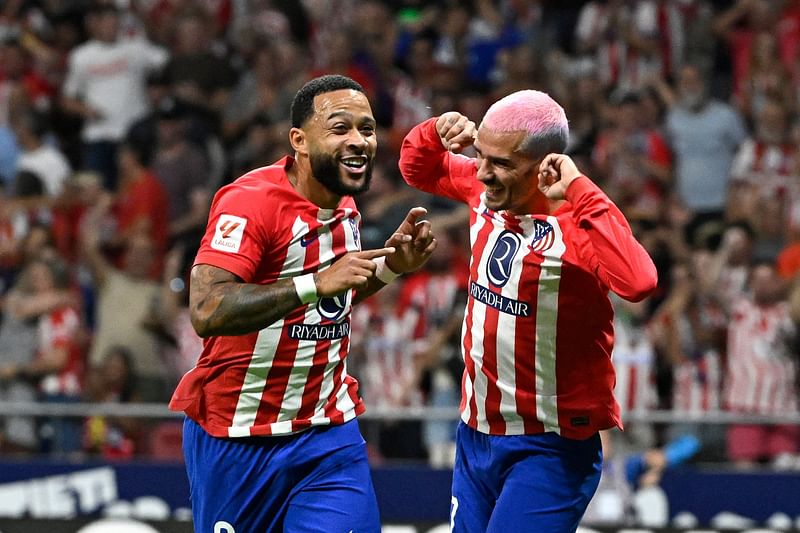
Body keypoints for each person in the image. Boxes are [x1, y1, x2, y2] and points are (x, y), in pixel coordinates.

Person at [168, 74, 437, 533]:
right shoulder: (249, 202)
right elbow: (207, 310)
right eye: (340, 128)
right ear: (300, 140)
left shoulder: (344, 204)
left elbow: (332, 297)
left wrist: (391, 268)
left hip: (327, 431)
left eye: (367, 129)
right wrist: (312, 283)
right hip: (240, 435)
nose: (358, 142)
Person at [398, 89, 658, 532]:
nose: (483, 172)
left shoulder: (579, 230)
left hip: (550, 446)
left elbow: (639, 281)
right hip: (476, 433)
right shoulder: (483, 190)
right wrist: (435, 131)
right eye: (481, 155)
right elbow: (416, 167)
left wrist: (579, 186)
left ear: (545, 166)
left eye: (501, 163)